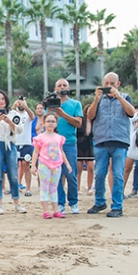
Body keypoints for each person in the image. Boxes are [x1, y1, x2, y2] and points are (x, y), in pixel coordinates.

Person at [86, 72, 135, 217]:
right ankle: (100, 201)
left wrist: (118, 96)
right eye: (106, 83)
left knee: (118, 174)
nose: (108, 86)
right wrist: (96, 99)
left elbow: (132, 113)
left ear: (118, 84)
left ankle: (117, 206)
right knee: (99, 174)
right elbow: (90, 116)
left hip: (120, 141)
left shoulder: (125, 97)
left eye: (112, 84)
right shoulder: (99, 99)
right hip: (101, 140)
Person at [0, 89, 28, 215]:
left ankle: (17, 203)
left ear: (6, 100)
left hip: (10, 144)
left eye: (2, 99)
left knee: (13, 175)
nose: (1, 101)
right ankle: (0, 204)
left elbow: (19, 129)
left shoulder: (13, 113)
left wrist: (9, 122)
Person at [31, 113, 72, 219]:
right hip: (44, 164)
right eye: (48, 121)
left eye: (53, 121)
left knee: (54, 188)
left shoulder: (59, 138)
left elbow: (61, 152)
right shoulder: (40, 138)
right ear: (44, 123)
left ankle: (55, 210)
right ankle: (46, 210)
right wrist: (33, 165)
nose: (50, 123)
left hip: (57, 165)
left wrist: (67, 164)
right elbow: (36, 152)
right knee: (44, 187)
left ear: (56, 124)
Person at [52, 79, 82, 214]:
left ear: (69, 88)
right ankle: (60, 203)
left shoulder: (76, 104)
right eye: (59, 85)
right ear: (55, 88)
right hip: (53, 143)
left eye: (64, 85)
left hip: (69, 142)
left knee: (71, 174)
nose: (62, 87)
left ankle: (73, 202)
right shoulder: (50, 105)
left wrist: (62, 114)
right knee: (56, 175)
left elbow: (78, 123)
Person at [14, 97, 35, 196]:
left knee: (26, 165)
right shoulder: (14, 114)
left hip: (26, 143)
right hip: (15, 143)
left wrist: (25, 106)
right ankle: (16, 186)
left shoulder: (27, 114)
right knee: (15, 166)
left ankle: (28, 188)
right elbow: (7, 115)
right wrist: (14, 105)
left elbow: (32, 116)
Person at [76, 105, 94, 195]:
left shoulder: (94, 122)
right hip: (79, 144)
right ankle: (78, 188)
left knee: (90, 167)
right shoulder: (80, 121)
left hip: (89, 145)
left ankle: (90, 187)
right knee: (78, 168)